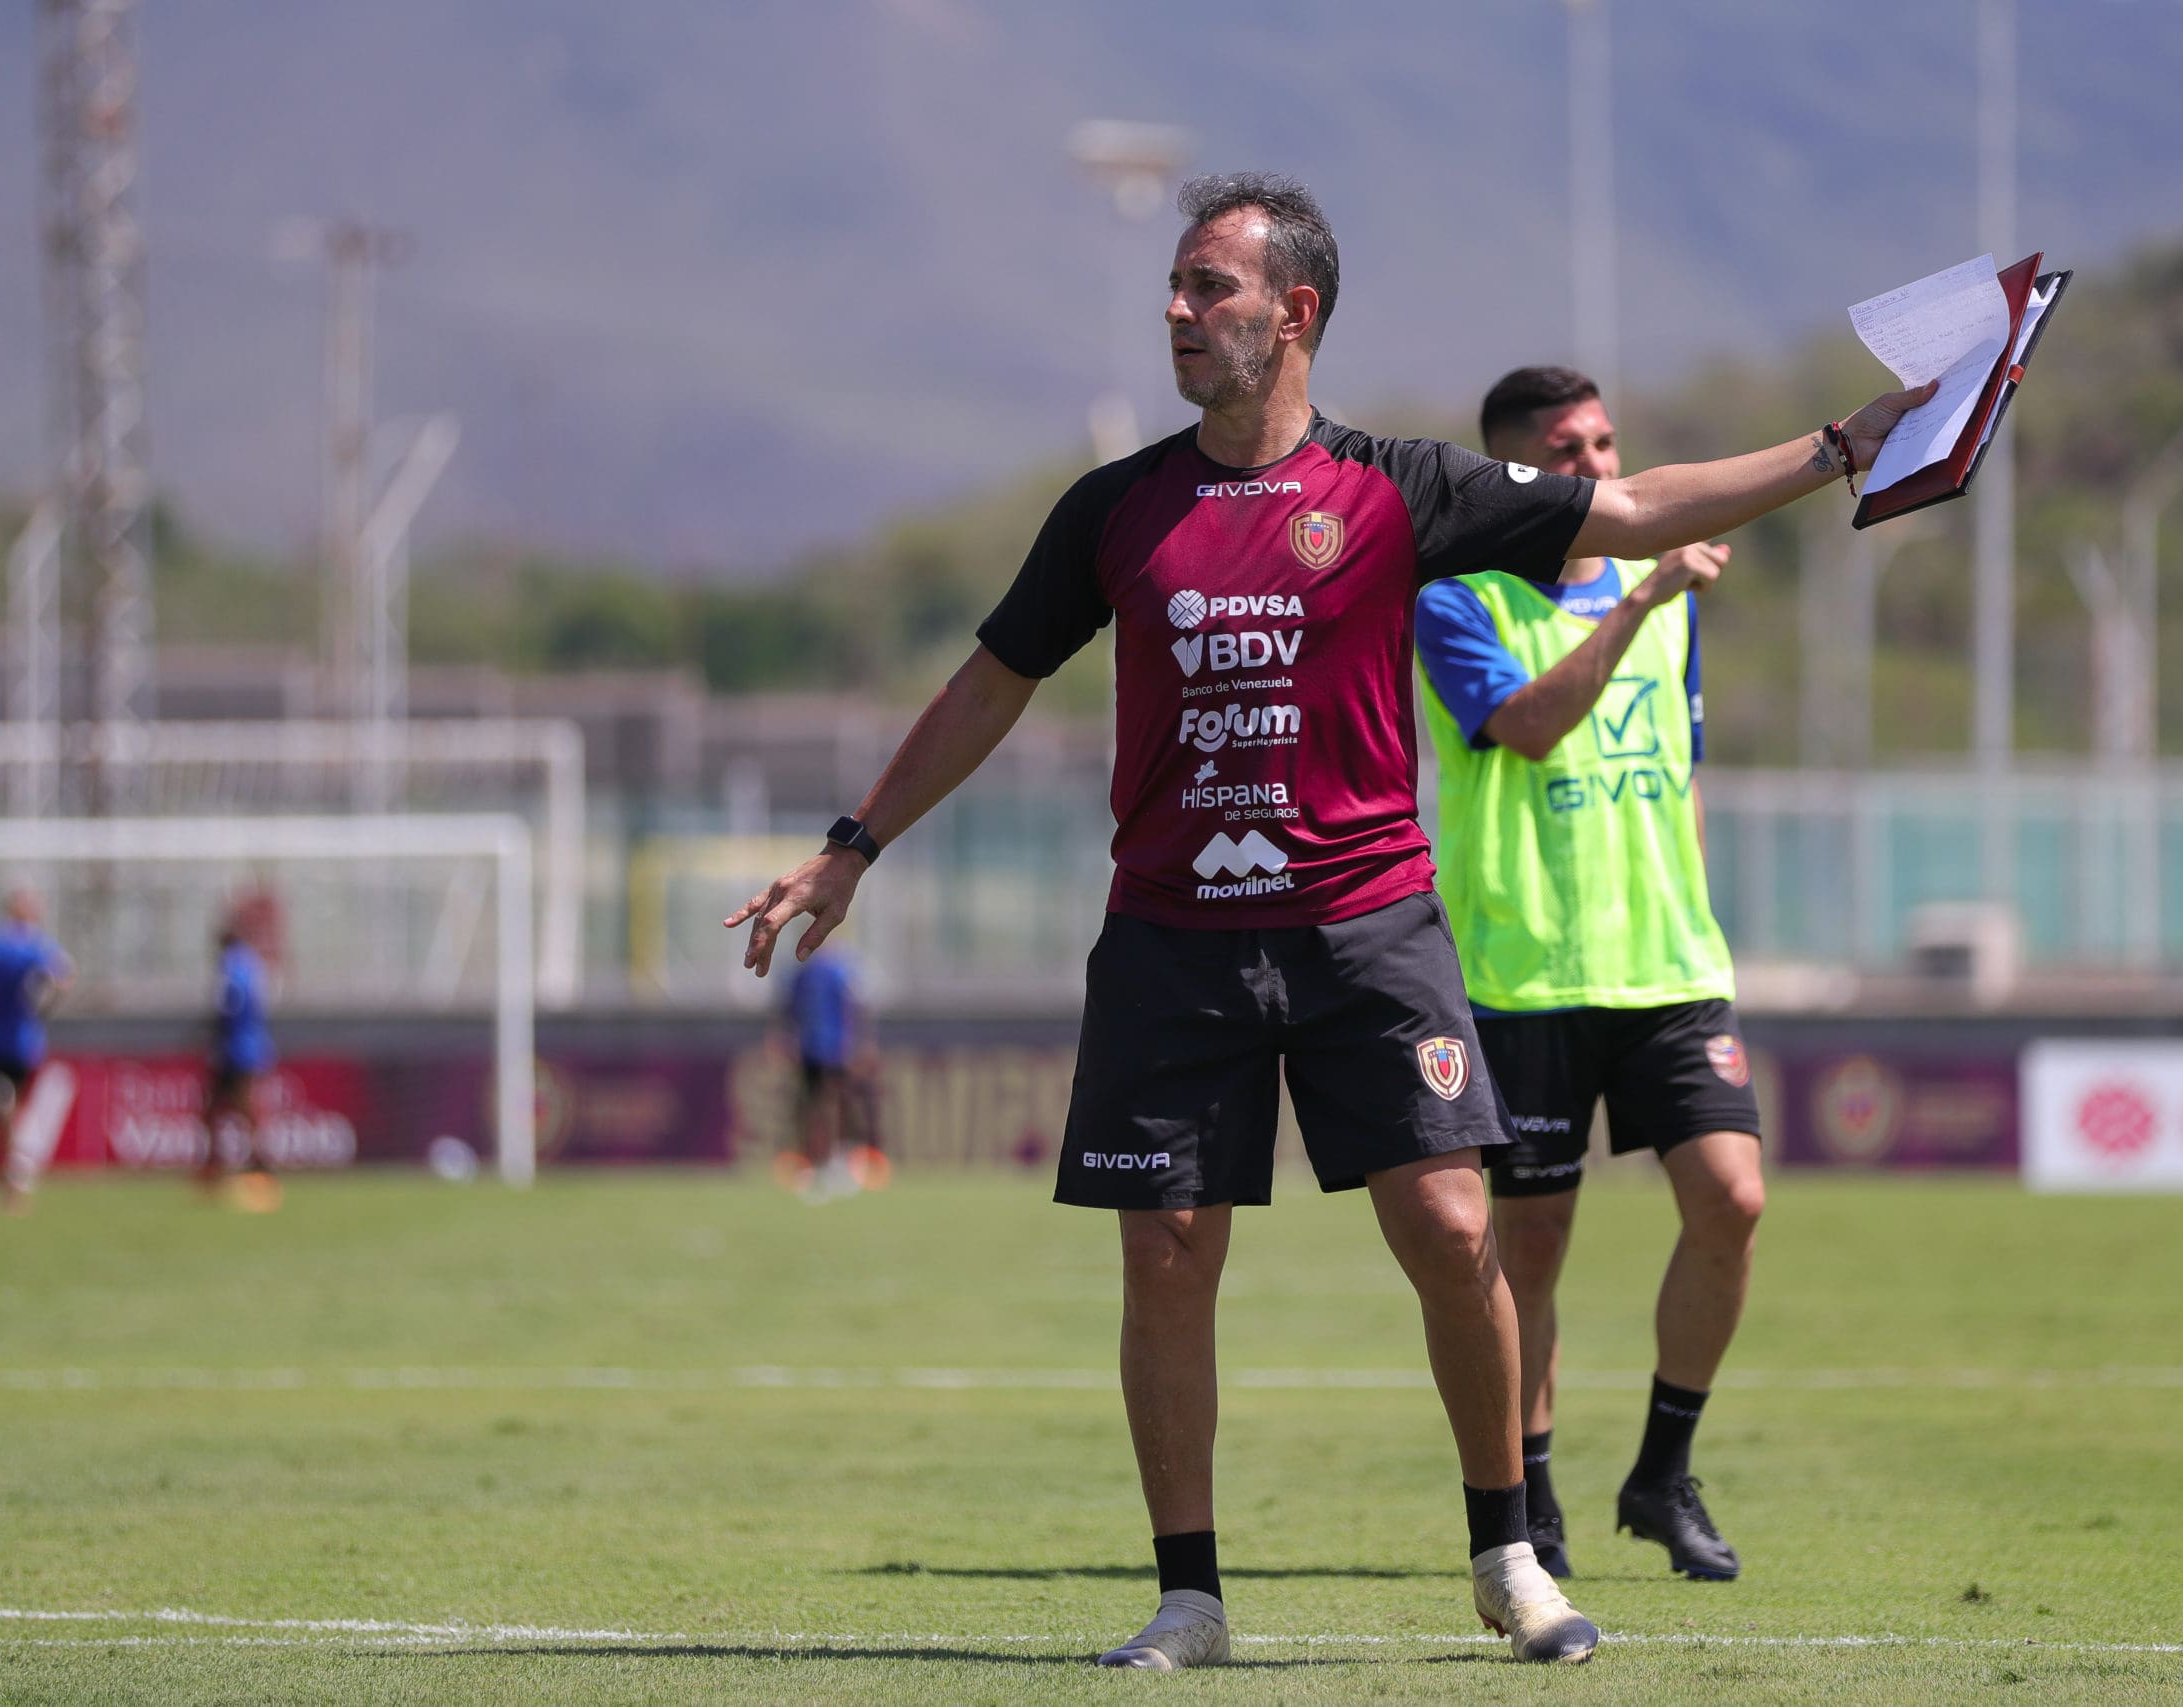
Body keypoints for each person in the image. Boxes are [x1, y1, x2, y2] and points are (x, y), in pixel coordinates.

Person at [727, 173, 1930, 1669]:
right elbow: (993, 680)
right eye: (1174, 286)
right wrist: (853, 844)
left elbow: (1630, 507)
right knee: (1165, 1249)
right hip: (1172, 936)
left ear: (1293, 313)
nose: (1177, 310)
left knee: (1449, 1219)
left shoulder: (1401, 487)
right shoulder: (1115, 506)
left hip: (1368, 929)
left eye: (1207, 288)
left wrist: (1835, 448)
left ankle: (1509, 1553)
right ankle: (1190, 1594)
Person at [1415, 364, 1760, 1584]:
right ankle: (1537, 1503)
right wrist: (1638, 600)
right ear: (1517, 473)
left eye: (1608, 444)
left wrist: (1701, 913)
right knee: (1535, 1250)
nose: (1600, 469)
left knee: (1734, 1200)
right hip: (1527, 975)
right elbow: (1527, 727)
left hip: (1668, 967)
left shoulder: (1674, 605)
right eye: (1569, 450)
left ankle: (1663, 1474)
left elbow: (1683, 764)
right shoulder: (1458, 600)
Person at [0, 890, 72, 1215]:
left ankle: (9, 1177)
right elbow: (64, 977)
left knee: (2, 1109)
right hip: (20, 1043)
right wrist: (44, 1006)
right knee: (8, 1108)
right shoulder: (35, 945)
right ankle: (12, 1179)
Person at [779, 949, 879, 1198]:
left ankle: (838, 1159)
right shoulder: (805, 973)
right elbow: (790, 1008)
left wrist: (861, 1043)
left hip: (835, 1047)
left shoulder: (837, 969)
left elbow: (855, 1008)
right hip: (814, 1047)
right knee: (815, 1105)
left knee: (833, 1104)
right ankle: (816, 1161)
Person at [200, 911, 280, 1211]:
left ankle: (229, 1166)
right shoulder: (252, 962)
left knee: (223, 1110)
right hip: (252, 1045)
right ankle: (241, 1164)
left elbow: (228, 1008)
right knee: (236, 1110)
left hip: (236, 1048)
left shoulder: (231, 965)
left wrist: (214, 1038)